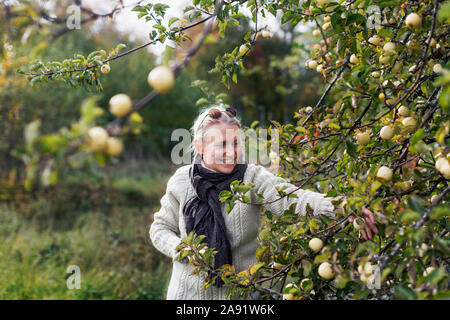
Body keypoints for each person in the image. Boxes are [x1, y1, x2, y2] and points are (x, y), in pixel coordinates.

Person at [149, 105, 378, 300]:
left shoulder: (252, 178)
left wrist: (343, 206)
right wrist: (181, 249)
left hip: (241, 295)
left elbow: (294, 198)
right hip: (186, 295)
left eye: (236, 143)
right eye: (221, 145)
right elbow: (160, 228)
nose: (231, 153)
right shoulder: (181, 181)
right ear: (200, 147)